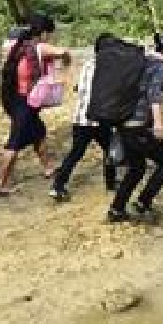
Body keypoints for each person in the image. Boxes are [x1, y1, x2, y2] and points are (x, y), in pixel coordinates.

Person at [109, 34, 163, 224]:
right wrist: (159, 124)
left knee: (137, 168)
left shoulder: (141, 62)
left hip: (123, 122)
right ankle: (143, 202)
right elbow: (154, 93)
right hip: (139, 125)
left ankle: (117, 209)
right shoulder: (161, 67)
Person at [0, 15, 70, 197]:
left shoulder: (17, 46)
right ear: (43, 33)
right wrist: (64, 64)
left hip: (14, 99)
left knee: (38, 132)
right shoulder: (39, 47)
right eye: (49, 34)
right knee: (13, 144)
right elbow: (63, 52)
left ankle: (48, 168)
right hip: (25, 103)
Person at [49, 42, 121, 204]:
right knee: (110, 149)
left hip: (81, 118)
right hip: (99, 118)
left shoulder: (87, 64)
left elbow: (79, 88)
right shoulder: (109, 68)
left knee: (76, 153)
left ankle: (58, 185)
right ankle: (110, 183)